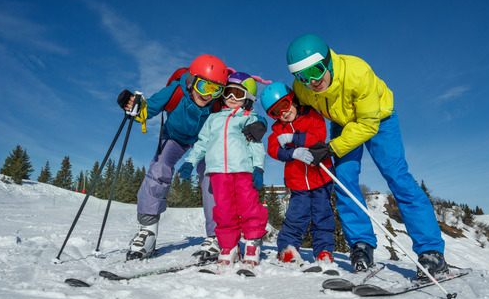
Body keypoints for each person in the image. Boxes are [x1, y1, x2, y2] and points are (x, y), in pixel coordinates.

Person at [285, 34, 448, 279]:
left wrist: (330, 149)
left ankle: (431, 252)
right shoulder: (303, 88)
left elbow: (368, 125)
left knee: (396, 176)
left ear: (328, 61)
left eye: (316, 71)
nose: (312, 81)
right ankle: (361, 246)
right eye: (302, 76)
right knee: (343, 180)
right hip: (343, 123)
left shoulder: (357, 72)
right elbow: (288, 109)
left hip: (378, 119)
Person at [119, 55, 266, 262]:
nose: (208, 95)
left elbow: (243, 111)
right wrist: (134, 106)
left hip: (204, 142)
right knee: (160, 168)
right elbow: (148, 108)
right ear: (191, 81)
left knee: (212, 175)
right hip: (175, 138)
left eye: (215, 90)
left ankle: (216, 236)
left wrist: (260, 124)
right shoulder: (177, 91)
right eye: (204, 87)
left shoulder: (217, 103)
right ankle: (148, 232)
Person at [178, 72, 268, 268]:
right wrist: (190, 162)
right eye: (228, 93)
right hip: (218, 172)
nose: (232, 98)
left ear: (247, 98)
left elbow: (256, 146)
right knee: (224, 210)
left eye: (238, 94)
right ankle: (229, 246)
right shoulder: (214, 119)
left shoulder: (249, 119)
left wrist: (258, 168)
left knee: (248, 207)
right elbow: (202, 143)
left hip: (242, 170)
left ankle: (252, 243)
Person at [259, 82, 336, 265]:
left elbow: (319, 136)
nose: (283, 113)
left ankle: (323, 251)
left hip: (321, 177)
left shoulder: (312, 116)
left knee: (323, 214)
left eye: (284, 106)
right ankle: (288, 248)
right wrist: (291, 153)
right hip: (298, 181)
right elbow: (272, 148)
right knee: (297, 215)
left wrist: (295, 138)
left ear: (292, 99)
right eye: (276, 112)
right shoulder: (278, 129)